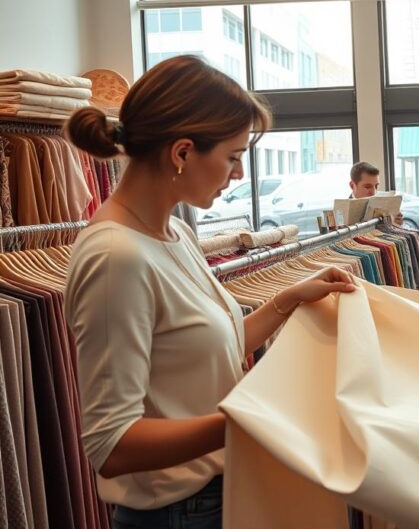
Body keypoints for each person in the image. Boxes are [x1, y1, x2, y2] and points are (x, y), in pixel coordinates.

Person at [64, 55, 358, 529]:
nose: (238, 175)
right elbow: (111, 444)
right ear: (182, 153)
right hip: (178, 512)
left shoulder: (175, 234)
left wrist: (288, 299)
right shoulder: (116, 257)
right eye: (234, 157)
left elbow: (205, 353)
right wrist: (249, 419)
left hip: (219, 493)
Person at [348, 161, 404, 225]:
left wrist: (395, 224)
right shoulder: (343, 213)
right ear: (352, 186)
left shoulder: (381, 202)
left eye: (376, 186)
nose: (373, 192)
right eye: (367, 187)